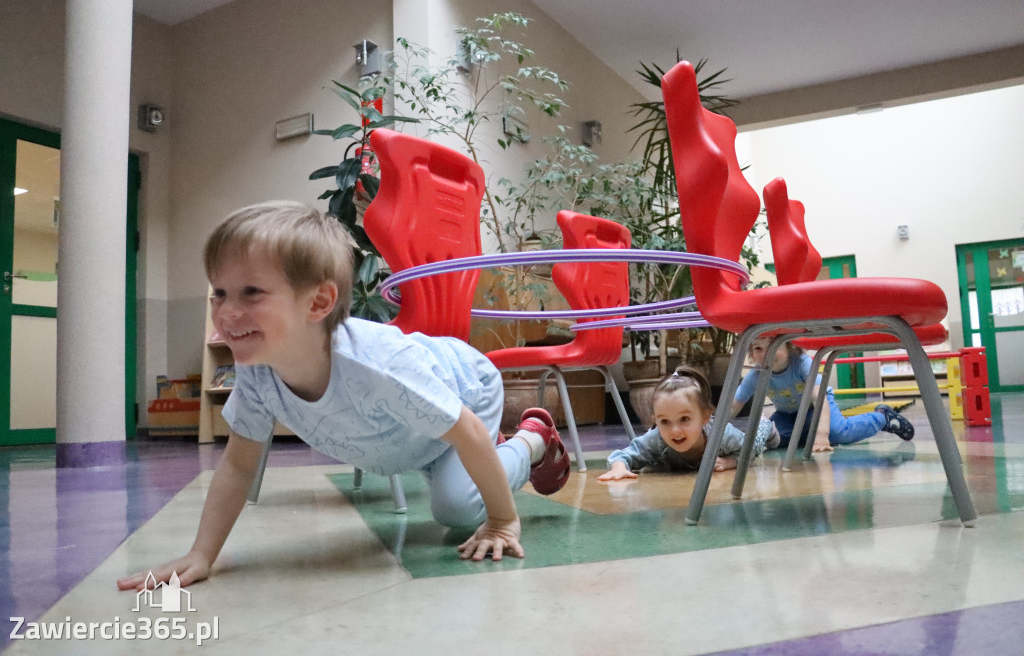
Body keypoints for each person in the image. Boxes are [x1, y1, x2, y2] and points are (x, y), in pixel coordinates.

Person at [118, 201, 570, 592]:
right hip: (415, 434)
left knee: (456, 508)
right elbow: (238, 464)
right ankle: (469, 460)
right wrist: (202, 554)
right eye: (220, 292)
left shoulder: (377, 367)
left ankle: (533, 441)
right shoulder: (256, 370)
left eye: (251, 292)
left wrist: (502, 522)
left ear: (318, 303)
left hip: (466, 388)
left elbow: (467, 431)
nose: (227, 311)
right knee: (445, 465)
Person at [730, 337, 914, 453]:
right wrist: (713, 429)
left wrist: (823, 434)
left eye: (773, 345)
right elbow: (733, 406)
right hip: (787, 414)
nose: (765, 354)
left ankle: (882, 417)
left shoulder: (801, 363)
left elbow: (820, 400)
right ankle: (806, 433)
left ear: (788, 345)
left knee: (838, 432)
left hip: (816, 407)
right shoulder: (756, 374)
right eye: (758, 349)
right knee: (775, 440)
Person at [598, 366, 777, 481]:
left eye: (684, 419)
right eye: (665, 421)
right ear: (655, 421)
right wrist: (619, 468)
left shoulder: (721, 434)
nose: (675, 430)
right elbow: (623, 455)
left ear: (705, 417)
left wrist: (729, 461)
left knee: (754, 442)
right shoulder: (656, 439)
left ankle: (766, 426)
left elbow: (747, 452)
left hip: (740, 442)